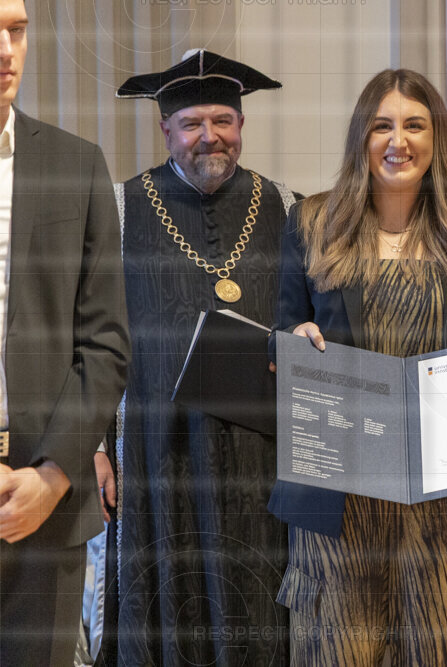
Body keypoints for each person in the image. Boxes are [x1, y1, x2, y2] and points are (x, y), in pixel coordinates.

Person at [269, 68, 447, 666]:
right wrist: (293, 340)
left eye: (414, 125)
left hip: (439, 504)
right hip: (338, 496)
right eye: (382, 126)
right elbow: (282, 330)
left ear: (436, 138)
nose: (398, 141)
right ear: (361, 138)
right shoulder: (311, 223)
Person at [93, 49, 299, 666]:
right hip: (157, 452)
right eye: (191, 124)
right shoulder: (118, 209)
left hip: (262, 456)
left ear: (241, 124)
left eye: (222, 121)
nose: (209, 136)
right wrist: (93, 446)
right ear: (166, 129)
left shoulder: (291, 209)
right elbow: (90, 335)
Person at [0, 0, 131, 664]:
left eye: (17, 30)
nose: (6, 51)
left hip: (47, 506)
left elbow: (105, 343)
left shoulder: (77, 165)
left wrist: (53, 475)